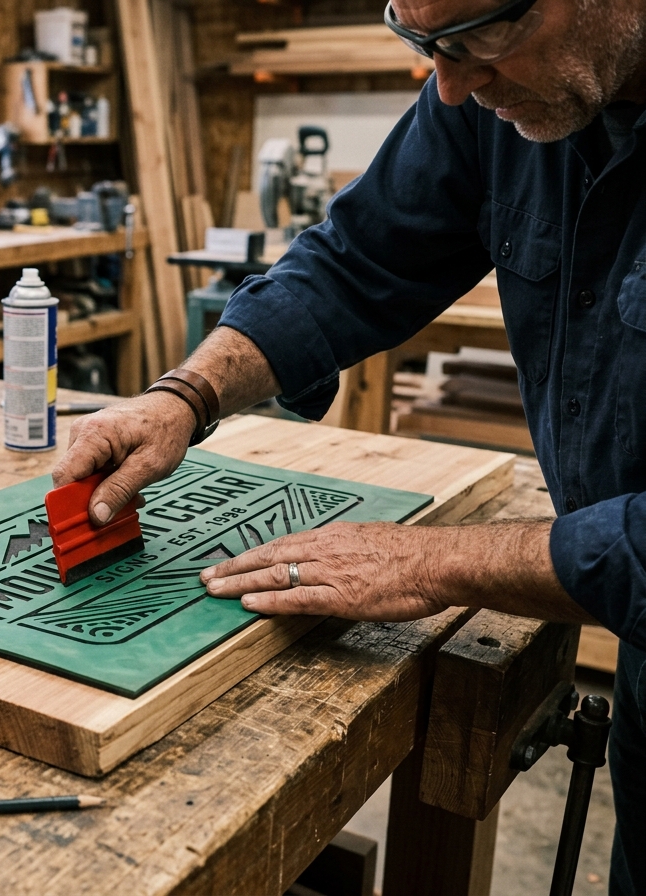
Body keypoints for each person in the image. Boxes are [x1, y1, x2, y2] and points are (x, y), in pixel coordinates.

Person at [53, 0, 646, 890]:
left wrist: (442, 562)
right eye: (423, 44)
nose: (451, 85)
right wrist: (187, 392)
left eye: (480, 38)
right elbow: (358, 260)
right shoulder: (487, 95)